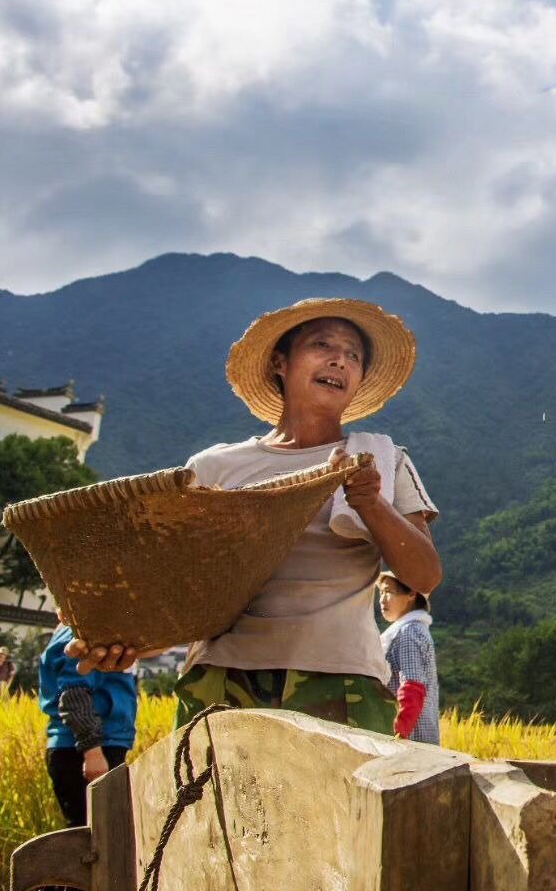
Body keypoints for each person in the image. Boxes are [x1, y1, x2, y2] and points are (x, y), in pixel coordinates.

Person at [70, 299, 441, 735]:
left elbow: (424, 576)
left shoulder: (382, 459)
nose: (340, 360)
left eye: (353, 355)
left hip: (342, 684)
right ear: (280, 362)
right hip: (219, 682)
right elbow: (178, 590)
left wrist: (372, 504)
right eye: (322, 345)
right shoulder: (214, 468)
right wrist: (126, 642)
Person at [37, 619, 138, 891]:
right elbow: (74, 695)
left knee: (96, 835)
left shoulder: (98, 631)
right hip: (83, 749)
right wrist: (92, 751)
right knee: (88, 838)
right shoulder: (81, 634)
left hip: (99, 744)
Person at [377, 570, 440, 745]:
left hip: (411, 741)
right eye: (381, 592)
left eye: (388, 592)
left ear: (411, 594)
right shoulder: (410, 629)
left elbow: (412, 688)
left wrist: (398, 733)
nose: (382, 599)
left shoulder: (409, 632)